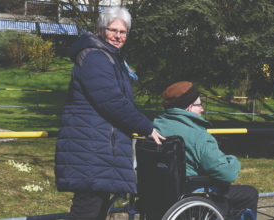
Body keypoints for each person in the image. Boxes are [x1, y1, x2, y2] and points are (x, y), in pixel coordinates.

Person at [55, 7, 165, 220]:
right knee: (86, 211)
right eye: (112, 30)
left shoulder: (110, 56)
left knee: (96, 212)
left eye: (123, 32)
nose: (118, 36)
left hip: (100, 148)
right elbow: (112, 102)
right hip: (90, 148)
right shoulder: (95, 57)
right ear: (99, 30)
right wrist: (146, 126)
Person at [153, 81, 258, 217]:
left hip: (161, 193)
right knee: (249, 193)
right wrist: (233, 160)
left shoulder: (155, 127)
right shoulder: (198, 136)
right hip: (195, 195)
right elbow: (228, 174)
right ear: (190, 107)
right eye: (200, 105)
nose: (202, 109)